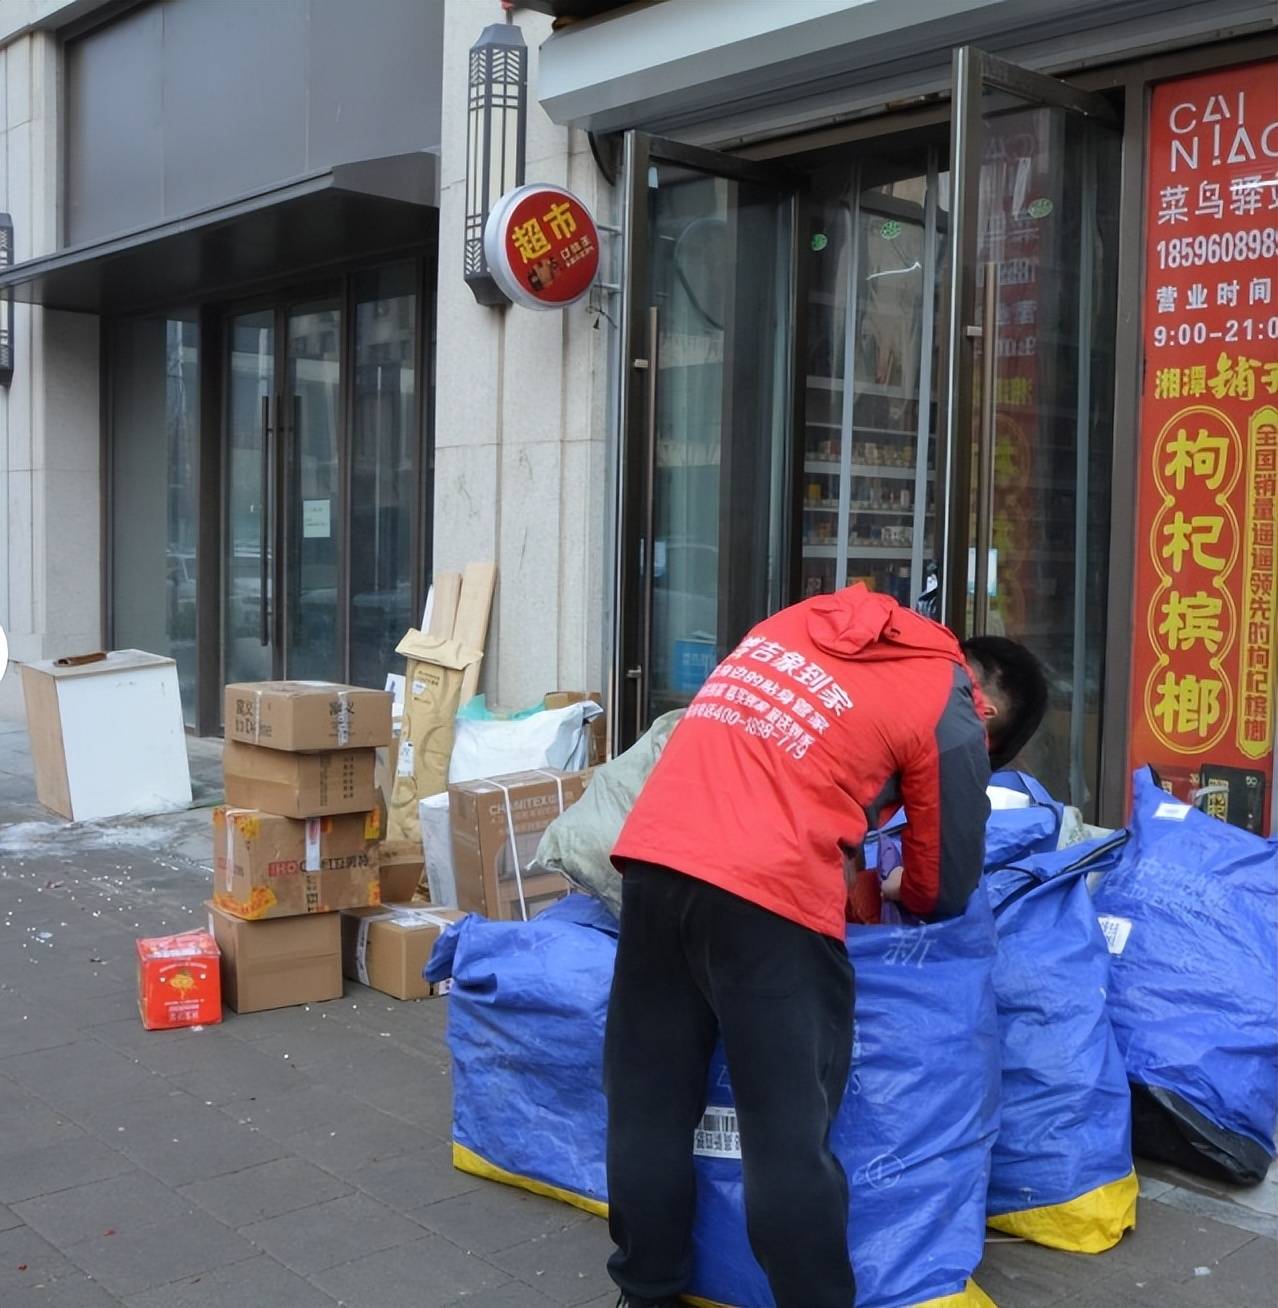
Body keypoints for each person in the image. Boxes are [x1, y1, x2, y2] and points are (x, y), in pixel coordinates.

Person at [604, 582, 1048, 1308]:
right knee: (785, 1138)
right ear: (987, 713)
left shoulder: (797, 621)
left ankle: (645, 1291)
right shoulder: (945, 695)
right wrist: (908, 888)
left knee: (648, 1106)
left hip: (655, 867)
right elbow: (946, 875)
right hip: (769, 898)